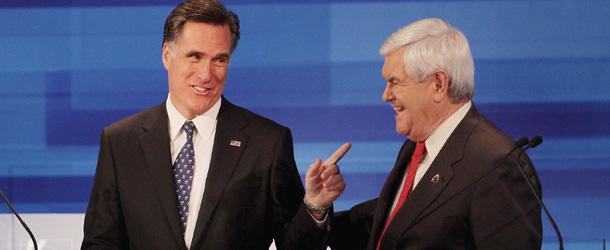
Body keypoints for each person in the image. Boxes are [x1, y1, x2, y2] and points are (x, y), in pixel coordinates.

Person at [81, 0, 348, 249]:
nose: (206, 74)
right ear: (166, 55)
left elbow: (295, 244)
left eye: (219, 59)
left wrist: (314, 207)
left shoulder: (267, 142)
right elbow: (101, 242)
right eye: (195, 56)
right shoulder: (121, 141)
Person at [323, 18, 543, 249]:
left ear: (438, 83)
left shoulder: (497, 165)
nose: (386, 95)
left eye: (395, 82)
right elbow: (392, 226)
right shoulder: (419, 147)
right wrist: (316, 209)